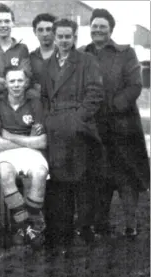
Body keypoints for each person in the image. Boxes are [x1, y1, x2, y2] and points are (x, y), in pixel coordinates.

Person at [80, 9, 150, 238]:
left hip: (122, 128)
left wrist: (112, 107)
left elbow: (134, 86)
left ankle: (131, 224)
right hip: (93, 127)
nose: (98, 30)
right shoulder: (81, 54)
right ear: (89, 27)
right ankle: (100, 224)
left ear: (111, 29)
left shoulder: (125, 53)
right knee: (98, 177)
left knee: (126, 176)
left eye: (103, 26)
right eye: (94, 25)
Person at [40, 19, 104, 255]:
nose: (64, 40)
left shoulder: (87, 61)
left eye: (68, 36)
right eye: (60, 36)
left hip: (79, 129)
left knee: (82, 180)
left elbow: (95, 93)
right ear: (54, 38)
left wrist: (77, 121)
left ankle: (85, 228)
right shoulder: (48, 65)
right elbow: (45, 97)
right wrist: (48, 121)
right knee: (59, 182)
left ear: (75, 37)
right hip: (55, 129)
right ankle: (63, 231)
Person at [0, 66, 48, 249]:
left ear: (26, 83)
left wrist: (11, 136)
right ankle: (24, 226)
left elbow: (43, 142)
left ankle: (26, 225)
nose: (16, 85)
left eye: (20, 81)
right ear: (5, 84)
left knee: (39, 173)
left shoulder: (35, 103)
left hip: (31, 152)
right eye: (12, 81)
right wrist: (28, 139)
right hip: (6, 153)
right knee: (5, 174)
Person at [0, 3, 35, 101]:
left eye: (7, 21)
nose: (3, 25)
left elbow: (26, 80)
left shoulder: (22, 49)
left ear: (13, 23)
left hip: (17, 102)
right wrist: (14, 84)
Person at [29, 13, 57, 96]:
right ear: (35, 32)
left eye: (49, 29)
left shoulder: (65, 55)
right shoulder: (31, 58)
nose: (45, 34)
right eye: (40, 30)